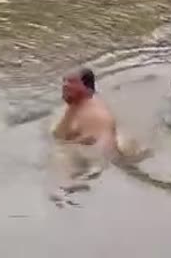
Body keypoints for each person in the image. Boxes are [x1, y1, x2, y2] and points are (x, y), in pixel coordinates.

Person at [49, 67, 152, 207]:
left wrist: (91, 170)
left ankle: (63, 189)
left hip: (101, 156)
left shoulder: (95, 114)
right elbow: (59, 135)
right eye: (64, 81)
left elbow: (105, 149)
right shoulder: (75, 106)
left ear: (87, 88)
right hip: (94, 148)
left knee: (61, 154)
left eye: (72, 82)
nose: (65, 85)